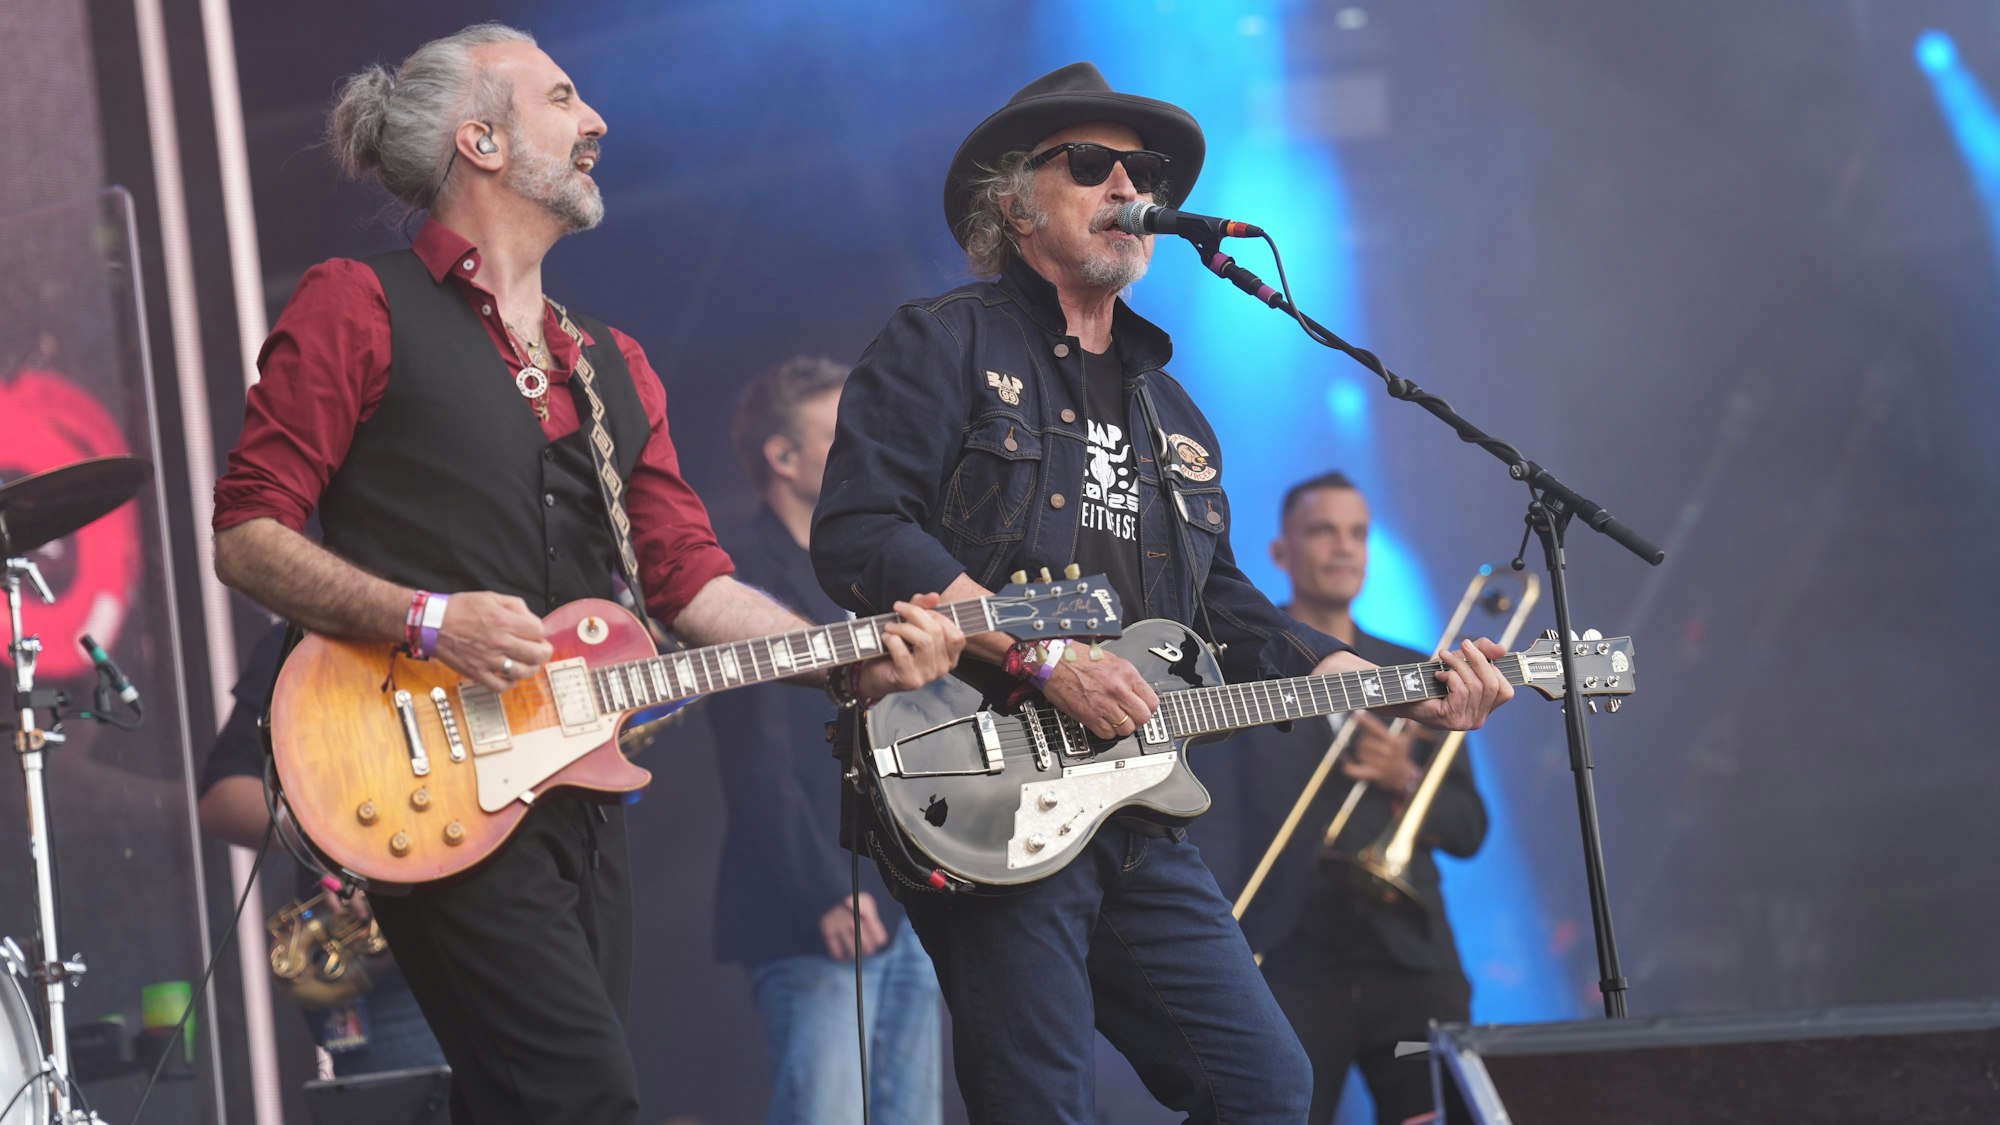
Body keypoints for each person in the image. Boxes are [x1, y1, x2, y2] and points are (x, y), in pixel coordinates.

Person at [209, 25, 963, 1124]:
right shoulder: (355, 302)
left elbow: (690, 583)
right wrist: (426, 620)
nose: (597, 120)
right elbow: (246, 535)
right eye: (562, 97)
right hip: (422, 773)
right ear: (479, 139)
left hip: (570, 786)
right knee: (582, 1098)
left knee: (522, 1104)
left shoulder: (606, 362)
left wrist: (849, 660)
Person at [810, 62, 1515, 1125]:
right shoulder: (942, 340)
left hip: (1132, 805)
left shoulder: (1173, 414)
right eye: (1090, 165)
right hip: (985, 777)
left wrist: (1388, 684)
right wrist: (1043, 659)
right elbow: (862, 530)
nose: (1125, 185)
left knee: (1266, 1087)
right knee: (1043, 1100)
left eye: (1140, 172)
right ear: (1013, 201)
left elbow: (1223, 607)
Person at [1200, 472, 1487, 1125]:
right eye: (1323, 530)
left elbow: (1470, 828)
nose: (1344, 547)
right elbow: (1212, 823)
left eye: (1357, 532)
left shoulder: (1419, 671)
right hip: (1287, 957)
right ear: (1279, 553)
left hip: (1410, 960)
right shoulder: (1236, 670)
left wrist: (1406, 781)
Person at [708, 357, 942, 1124]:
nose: (865, 444)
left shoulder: (869, 567)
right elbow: (759, 761)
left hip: (906, 893)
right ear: (782, 457)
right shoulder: (740, 578)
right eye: (841, 429)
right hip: (816, 903)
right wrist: (824, 891)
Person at [197, 622, 448, 1078]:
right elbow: (224, 797)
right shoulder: (306, 641)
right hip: (400, 982)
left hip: (525, 945)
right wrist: (332, 840)